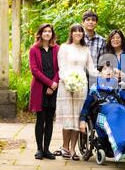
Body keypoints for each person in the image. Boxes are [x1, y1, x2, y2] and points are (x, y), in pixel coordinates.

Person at [55, 24, 99, 161]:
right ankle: (64, 147)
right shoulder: (64, 47)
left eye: (80, 31)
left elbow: (91, 69)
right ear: (71, 33)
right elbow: (61, 67)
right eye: (75, 31)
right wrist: (67, 80)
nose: (78, 33)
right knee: (68, 116)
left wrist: (105, 75)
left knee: (77, 118)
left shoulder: (86, 49)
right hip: (66, 85)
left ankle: (73, 149)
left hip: (81, 85)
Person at [29, 23, 59, 160]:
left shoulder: (56, 49)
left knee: (50, 119)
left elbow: (60, 68)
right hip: (39, 88)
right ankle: (39, 149)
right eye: (44, 31)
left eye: (49, 31)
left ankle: (47, 149)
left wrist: (54, 84)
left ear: (52, 34)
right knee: (40, 119)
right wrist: (49, 83)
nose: (47, 33)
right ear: (40, 34)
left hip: (53, 88)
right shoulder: (34, 49)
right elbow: (34, 70)